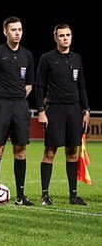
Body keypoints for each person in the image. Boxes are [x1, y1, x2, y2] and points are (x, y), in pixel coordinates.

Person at [0, 17, 35, 206]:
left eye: (20, 29)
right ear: (5, 31)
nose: (18, 33)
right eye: (14, 30)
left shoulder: (27, 55)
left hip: (20, 106)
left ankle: (20, 196)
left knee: (21, 150)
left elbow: (29, 84)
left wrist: (19, 97)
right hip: (1, 105)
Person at [36, 24, 90, 206]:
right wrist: (41, 111)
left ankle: (73, 195)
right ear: (55, 38)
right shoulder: (47, 59)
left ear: (71, 37)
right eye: (61, 36)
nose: (65, 38)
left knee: (73, 152)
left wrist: (86, 110)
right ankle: (45, 195)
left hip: (74, 110)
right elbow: (40, 86)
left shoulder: (77, 59)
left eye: (68, 35)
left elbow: (81, 86)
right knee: (50, 151)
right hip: (55, 109)